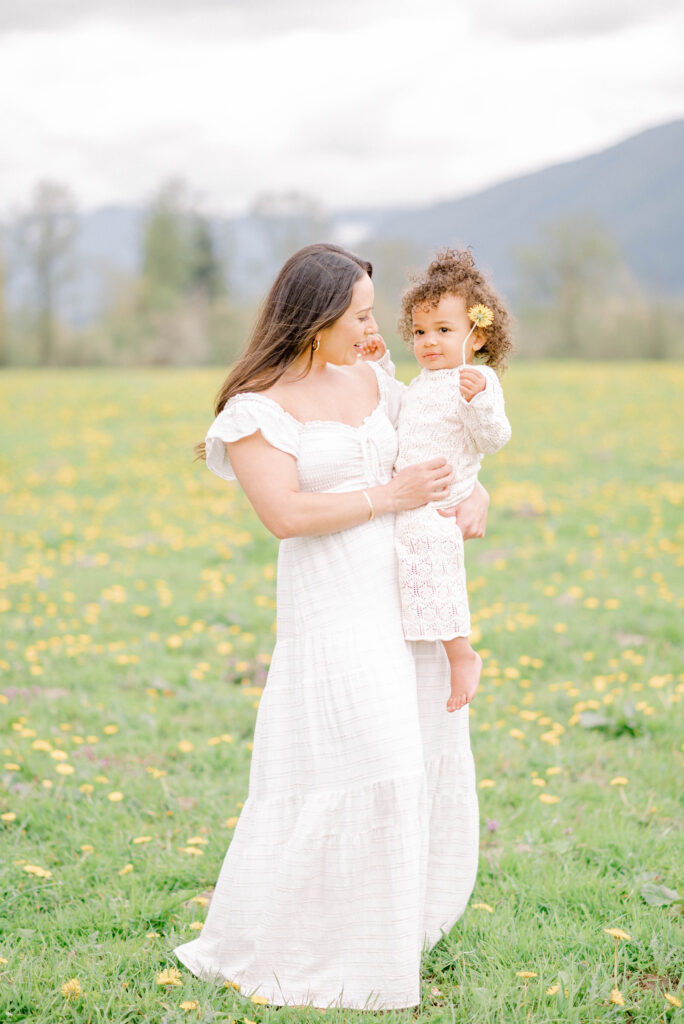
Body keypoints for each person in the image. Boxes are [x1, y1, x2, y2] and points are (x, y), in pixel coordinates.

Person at [173, 243, 489, 1011]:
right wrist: (389, 495)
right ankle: (313, 948)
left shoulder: (377, 382)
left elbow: (443, 443)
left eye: (372, 311)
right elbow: (285, 515)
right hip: (333, 608)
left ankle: (381, 940)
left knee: (409, 760)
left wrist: (479, 497)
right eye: (359, 314)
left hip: (405, 600)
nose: (372, 326)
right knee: (360, 762)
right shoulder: (256, 407)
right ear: (314, 318)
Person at [368, 248, 512, 714]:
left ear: (478, 333)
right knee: (409, 565)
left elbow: (493, 439)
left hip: (442, 501)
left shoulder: (476, 379)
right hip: (414, 497)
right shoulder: (423, 381)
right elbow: (403, 411)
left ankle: (461, 653)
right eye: (421, 331)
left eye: (444, 331)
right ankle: (423, 644)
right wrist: (381, 365)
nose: (429, 342)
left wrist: (480, 401)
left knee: (436, 567)